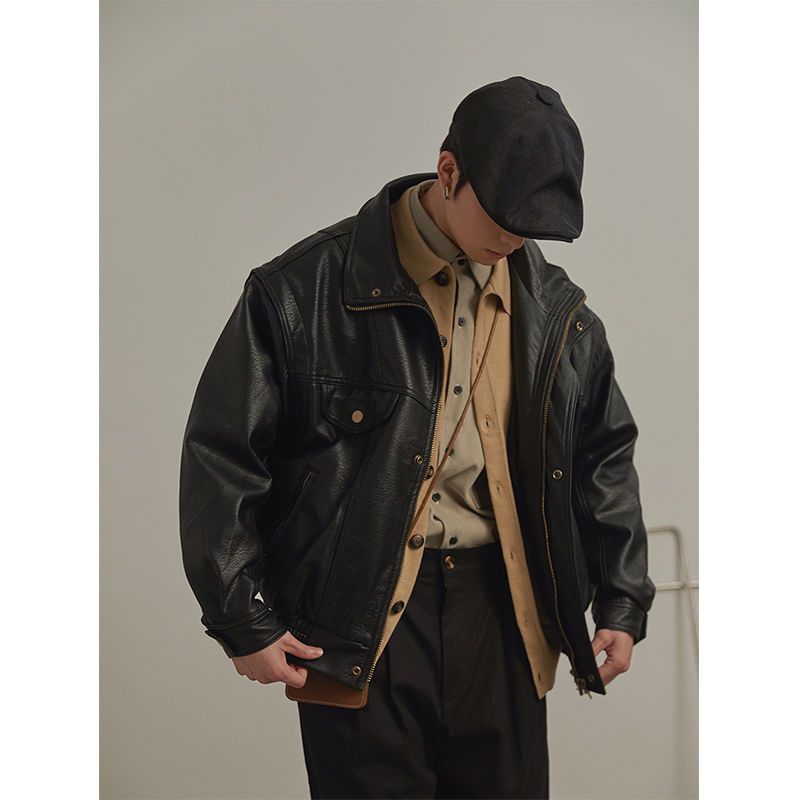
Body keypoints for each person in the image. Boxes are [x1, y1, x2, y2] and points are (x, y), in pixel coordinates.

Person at [179, 75, 656, 799]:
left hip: (503, 609)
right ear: (448, 171)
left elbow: (603, 454)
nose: (515, 240)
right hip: (360, 614)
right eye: (504, 217)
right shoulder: (304, 290)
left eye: (533, 226)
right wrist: (241, 616)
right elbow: (222, 453)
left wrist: (622, 597)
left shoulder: (558, 312)